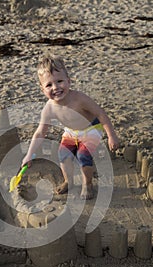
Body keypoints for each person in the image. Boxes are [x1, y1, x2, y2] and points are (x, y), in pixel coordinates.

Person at [22, 54, 119, 199]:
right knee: (63, 155)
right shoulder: (49, 108)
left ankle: (88, 184)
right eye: (49, 85)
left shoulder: (79, 99)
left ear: (68, 81)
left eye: (60, 81)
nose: (55, 87)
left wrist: (111, 136)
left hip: (91, 129)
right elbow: (40, 133)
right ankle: (68, 181)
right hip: (71, 132)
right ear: (42, 89)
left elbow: (100, 114)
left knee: (83, 156)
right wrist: (29, 154)